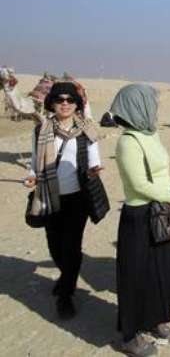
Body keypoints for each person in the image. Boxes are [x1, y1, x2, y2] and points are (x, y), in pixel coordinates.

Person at [112, 84, 170, 357]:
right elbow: (139, 184)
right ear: (138, 106)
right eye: (150, 103)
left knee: (162, 270)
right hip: (140, 216)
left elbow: (161, 171)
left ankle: (156, 319)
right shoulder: (127, 141)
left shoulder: (151, 135)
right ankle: (130, 336)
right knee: (136, 275)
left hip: (161, 212)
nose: (154, 108)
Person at [22, 82, 108, 320]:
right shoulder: (41, 130)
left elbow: (93, 159)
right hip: (49, 196)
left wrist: (93, 171)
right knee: (54, 245)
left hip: (77, 198)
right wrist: (31, 176)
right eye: (60, 100)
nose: (65, 104)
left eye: (70, 100)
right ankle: (66, 276)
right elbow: (34, 160)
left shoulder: (86, 130)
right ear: (52, 103)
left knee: (71, 246)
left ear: (77, 104)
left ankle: (66, 294)